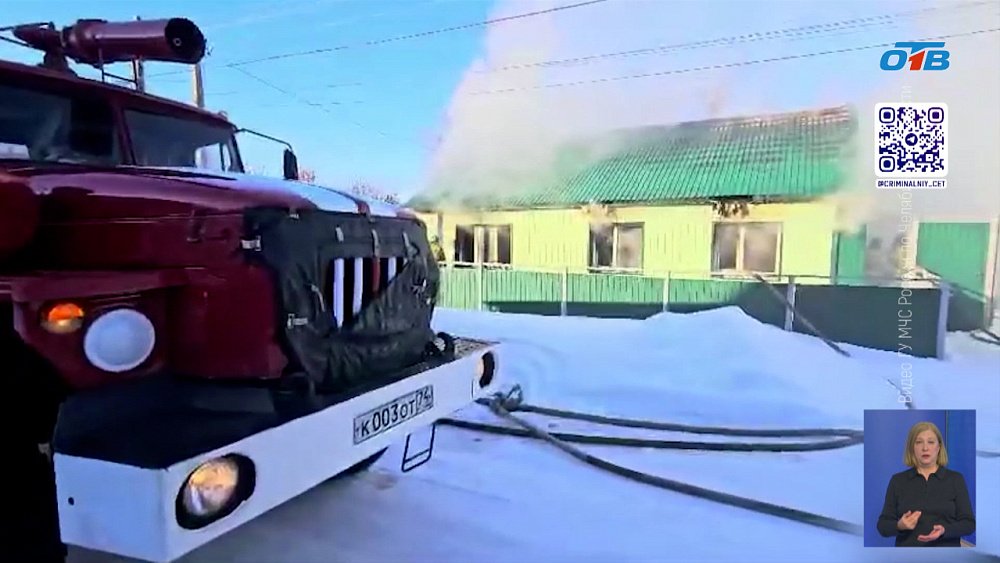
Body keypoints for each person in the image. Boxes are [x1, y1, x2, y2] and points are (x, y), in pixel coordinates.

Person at [876, 421, 975, 547]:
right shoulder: (898, 481)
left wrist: (945, 530)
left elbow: (969, 524)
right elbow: (883, 526)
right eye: (919, 442)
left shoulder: (955, 479)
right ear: (912, 448)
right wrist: (899, 525)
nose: (925, 448)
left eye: (930, 442)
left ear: (938, 447)